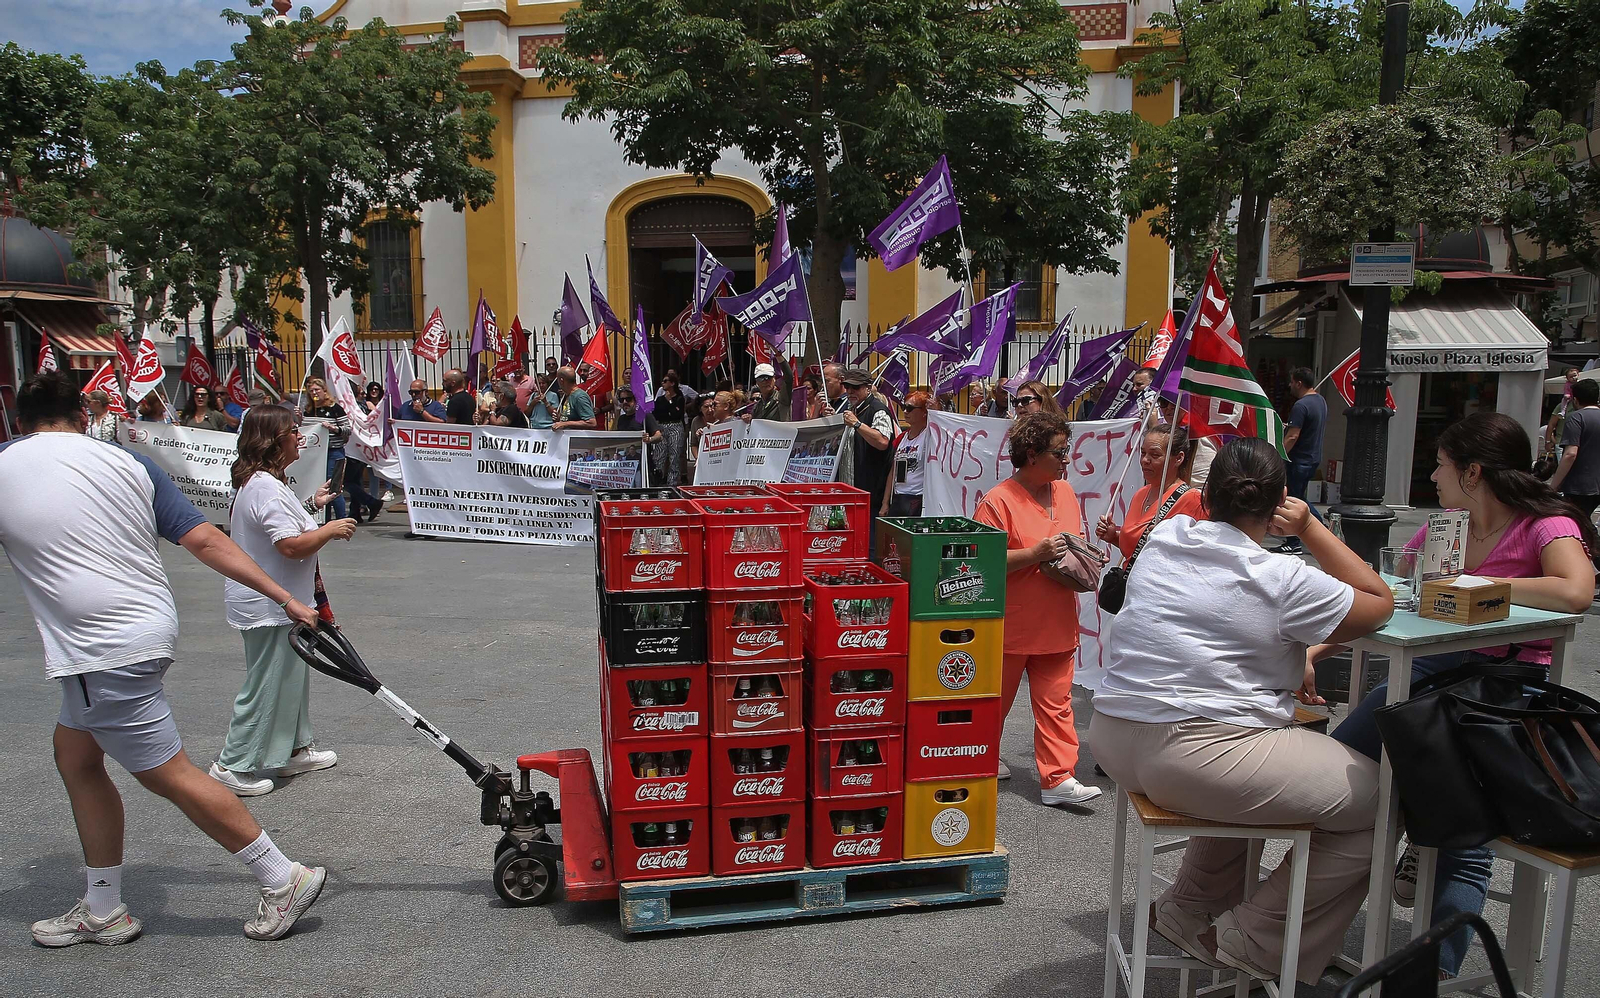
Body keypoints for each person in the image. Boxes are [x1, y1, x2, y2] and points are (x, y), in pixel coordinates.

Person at [0, 371, 326, 946]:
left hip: (100, 647)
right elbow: (206, 541)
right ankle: (103, 906)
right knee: (75, 754)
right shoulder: (130, 464)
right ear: (83, 413)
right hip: (138, 632)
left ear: (19, 421)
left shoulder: (7, 462)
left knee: (168, 773)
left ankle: (282, 876)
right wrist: (287, 598)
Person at [1087, 436, 1393, 984]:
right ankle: (1257, 936)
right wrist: (1310, 527)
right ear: (1278, 503)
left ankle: (1193, 907)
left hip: (1115, 735)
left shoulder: (1167, 536)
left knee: (1257, 749)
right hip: (1193, 752)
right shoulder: (1282, 577)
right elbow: (1379, 602)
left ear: (1206, 497)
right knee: (1385, 801)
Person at [1317, 411, 1597, 979]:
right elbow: (1395, 587)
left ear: (1472, 472)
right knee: (1334, 764)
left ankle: (1431, 973)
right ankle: (1314, 921)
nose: (1433, 479)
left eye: (1441, 467)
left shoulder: (1546, 524)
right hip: (1429, 671)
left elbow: (1575, 591)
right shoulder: (1448, 525)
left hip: (1502, 693)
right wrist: (1315, 649)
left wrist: (1484, 587)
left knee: (1464, 830)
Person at [211, 407, 356, 796]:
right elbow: (289, 545)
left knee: (292, 677)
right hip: (271, 603)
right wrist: (329, 529)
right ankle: (232, 763)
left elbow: (285, 526)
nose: (300, 438)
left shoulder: (267, 483)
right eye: (293, 431)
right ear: (273, 441)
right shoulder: (265, 486)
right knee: (267, 682)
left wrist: (312, 505)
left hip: (283, 601)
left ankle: (294, 748)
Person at [974, 412, 1096, 801]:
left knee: (1057, 705)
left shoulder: (1066, 492)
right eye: (1060, 452)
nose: (1067, 460)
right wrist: (1034, 554)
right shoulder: (998, 500)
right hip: (1012, 624)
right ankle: (980, 758)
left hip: (1058, 621)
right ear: (1031, 454)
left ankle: (1057, 778)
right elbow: (981, 562)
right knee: (994, 705)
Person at [1095, 422, 1208, 559]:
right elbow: (1135, 549)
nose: (1144, 460)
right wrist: (1113, 537)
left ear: (1178, 458)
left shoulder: (1193, 500)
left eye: (1154, 455)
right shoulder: (1140, 494)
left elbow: (1203, 554)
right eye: (1143, 453)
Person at [838, 367, 895, 547]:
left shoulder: (878, 410)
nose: (850, 392)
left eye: (855, 388)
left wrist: (857, 424)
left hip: (870, 496)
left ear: (868, 388)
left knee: (868, 547)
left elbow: (883, 441)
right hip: (850, 494)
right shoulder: (851, 409)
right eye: (847, 387)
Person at [1279, 367, 1327, 552]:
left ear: (1299, 383)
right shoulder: (1320, 401)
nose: (1290, 385)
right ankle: (1322, 531)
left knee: (1292, 500)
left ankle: (1295, 542)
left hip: (1298, 460)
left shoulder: (1301, 406)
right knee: (1299, 497)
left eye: (1291, 382)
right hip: (1312, 458)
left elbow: (1292, 436)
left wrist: (1279, 454)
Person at [1550, 376, 1600, 518]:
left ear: (1575, 400)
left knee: (1578, 524)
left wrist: (1554, 485)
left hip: (1579, 485)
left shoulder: (1576, 418)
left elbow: (1570, 454)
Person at [304, 379, 351, 521]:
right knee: (319, 486)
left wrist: (333, 428)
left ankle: (341, 519)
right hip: (315, 454)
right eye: (311, 391)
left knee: (333, 486)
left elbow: (347, 430)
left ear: (324, 391)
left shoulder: (335, 408)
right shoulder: (309, 410)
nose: (314, 393)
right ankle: (325, 519)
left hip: (333, 452)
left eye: (317, 390)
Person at [885, 390, 930, 517]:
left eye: (910, 408)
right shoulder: (902, 437)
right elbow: (893, 470)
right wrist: (885, 502)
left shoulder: (929, 436)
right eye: (904, 407)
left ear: (924, 412)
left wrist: (936, 409)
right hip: (898, 496)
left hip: (917, 497)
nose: (905, 411)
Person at [652, 370, 690, 485]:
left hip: (676, 426)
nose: (663, 383)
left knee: (674, 455)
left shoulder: (679, 398)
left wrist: (670, 403)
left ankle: (672, 482)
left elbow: (677, 414)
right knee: (659, 454)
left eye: (665, 381)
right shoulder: (659, 399)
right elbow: (657, 414)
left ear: (672, 383)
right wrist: (668, 410)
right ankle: (658, 479)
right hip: (662, 426)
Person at [748, 358, 792, 422]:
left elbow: (789, 378)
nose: (765, 381)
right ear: (757, 382)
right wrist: (748, 420)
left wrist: (779, 357)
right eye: (761, 378)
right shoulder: (757, 406)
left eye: (768, 378)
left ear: (774, 379)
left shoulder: (781, 398)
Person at [687, 395, 716, 474]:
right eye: (706, 407)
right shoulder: (696, 421)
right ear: (700, 408)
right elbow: (693, 444)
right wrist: (698, 459)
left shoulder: (720, 418)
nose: (710, 410)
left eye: (712, 406)